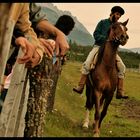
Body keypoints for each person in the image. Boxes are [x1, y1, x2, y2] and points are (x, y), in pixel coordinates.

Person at [73, 6, 128, 99]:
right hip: (98, 47)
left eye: (120, 15)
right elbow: (96, 34)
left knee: (122, 67)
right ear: (112, 13)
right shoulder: (102, 23)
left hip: (111, 51)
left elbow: (120, 40)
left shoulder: (118, 26)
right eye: (117, 14)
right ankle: (81, 86)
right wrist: (106, 39)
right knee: (87, 63)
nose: (118, 16)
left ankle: (120, 91)